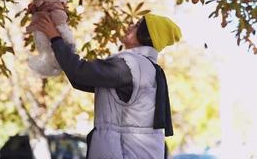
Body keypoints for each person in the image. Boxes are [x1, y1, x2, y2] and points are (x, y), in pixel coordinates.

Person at [28, 11, 182, 159]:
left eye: (136, 26)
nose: (129, 26)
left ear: (147, 35)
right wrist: (58, 36)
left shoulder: (131, 66)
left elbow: (80, 72)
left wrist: (55, 37)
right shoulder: (146, 68)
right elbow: (80, 79)